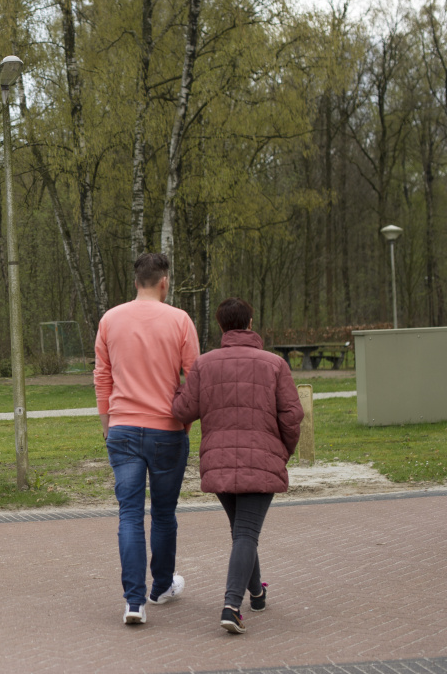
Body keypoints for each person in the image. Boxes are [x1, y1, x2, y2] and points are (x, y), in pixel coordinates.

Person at [171, 297, 303, 634]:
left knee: (242, 532)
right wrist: (281, 452)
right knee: (245, 533)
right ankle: (231, 605)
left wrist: (173, 389)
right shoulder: (275, 364)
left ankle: (256, 593)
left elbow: (183, 411)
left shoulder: (204, 365)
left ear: (220, 325)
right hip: (262, 460)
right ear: (250, 321)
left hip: (218, 463)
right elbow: (291, 415)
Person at [94, 253, 200, 625]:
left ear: (136, 281)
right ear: (164, 282)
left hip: (122, 429)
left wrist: (108, 422)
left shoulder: (110, 319)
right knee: (164, 514)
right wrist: (184, 423)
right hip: (167, 430)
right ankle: (161, 587)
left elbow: (102, 377)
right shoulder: (180, 320)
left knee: (129, 516)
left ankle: (134, 601)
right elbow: (194, 379)